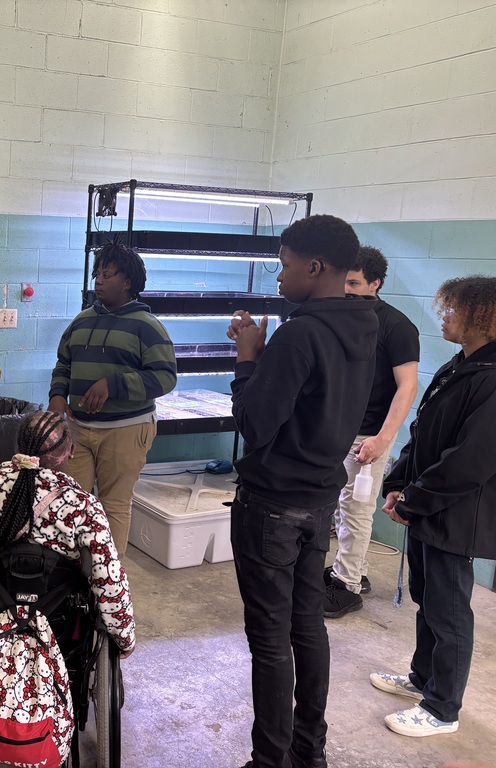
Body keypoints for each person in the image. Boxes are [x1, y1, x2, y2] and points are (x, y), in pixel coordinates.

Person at [227, 214, 378, 768]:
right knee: (307, 625)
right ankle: (307, 752)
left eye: (285, 267)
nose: (279, 277)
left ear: (315, 268)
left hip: (272, 505)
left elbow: (255, 423)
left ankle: (270, 760)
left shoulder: (301, 332)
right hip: (318, 498)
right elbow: (311, 402)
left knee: (269, 639)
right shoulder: (365, 323)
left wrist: (246, 357)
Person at [371, 276, 496, 738]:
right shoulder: (461, 365)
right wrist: (399, 481)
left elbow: (469, 461)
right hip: (427, 508)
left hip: (454, 515)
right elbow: (424, 433)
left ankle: (443, 709)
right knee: (428, 601)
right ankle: (423, 680)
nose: (442, 315)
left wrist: (415, 500)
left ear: (482, 316)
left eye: (451, 309)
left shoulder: (491, 378)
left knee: (449, 610)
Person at [0, 410, 135, 657]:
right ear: (70, 452)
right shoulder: (83, 506)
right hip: (61, 630)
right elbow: (108, 580)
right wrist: (124, 637)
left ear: (19, 447)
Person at [48, 241, 177, 555]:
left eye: (108, 275)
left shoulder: (147, 327)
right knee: (73, 502)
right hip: (78, 428)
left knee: (113, 505)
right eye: (98, 274)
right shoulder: (81, 321)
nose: (99, 281)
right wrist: (57, 395)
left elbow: (165, 377)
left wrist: (113, 384)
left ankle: (108, 583)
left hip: (126, 429)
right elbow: (64, 362)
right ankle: (75, 577)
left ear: (128, 283)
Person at [325, 246, 420, 618]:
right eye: (343, 281)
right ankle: (354, 571)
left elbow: (407, 386)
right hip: (336, 428)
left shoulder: (396, 326)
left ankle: (346, 586)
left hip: (369, 433)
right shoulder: (339, 316)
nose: (346, 289)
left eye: (354, 282)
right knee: (338, 508)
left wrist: (382, 438)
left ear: (375, 284)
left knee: (356, 509)